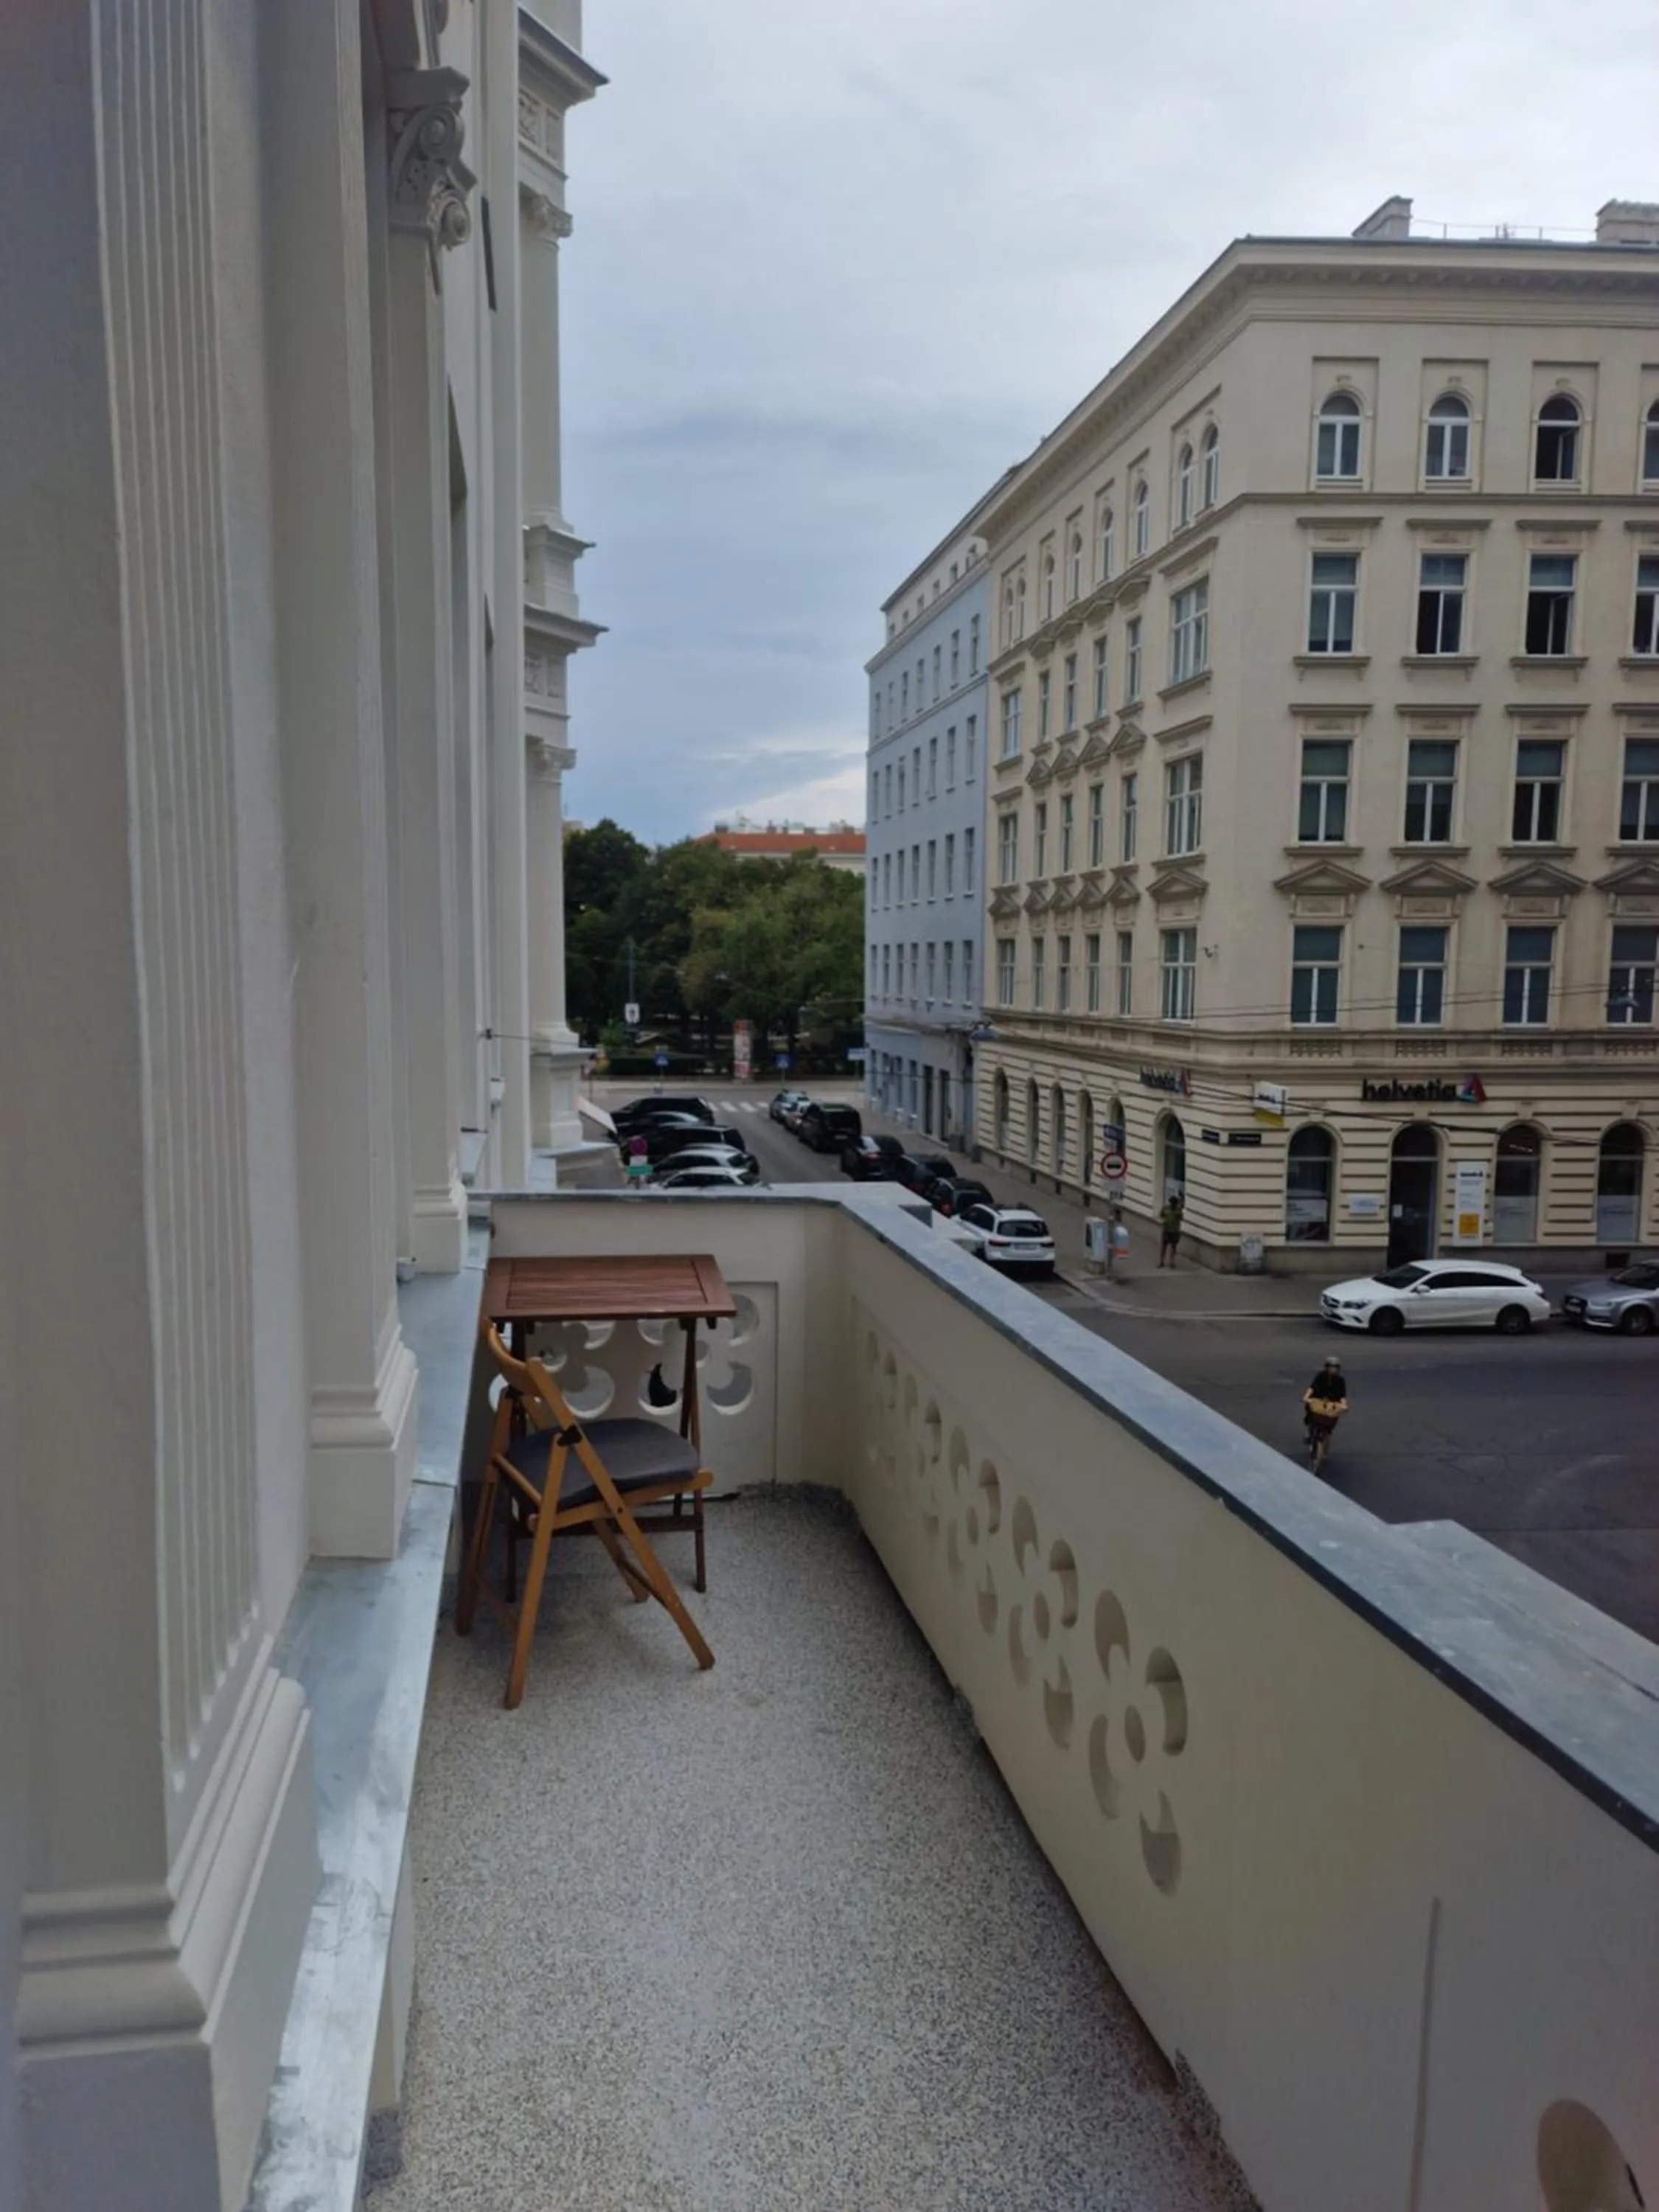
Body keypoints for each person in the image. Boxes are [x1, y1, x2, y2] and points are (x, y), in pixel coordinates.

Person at [1303, 1355, 1348, 1434]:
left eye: (1335, 1367)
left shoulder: (1341, 1380)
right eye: (1331, 1367)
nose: (1333, 1370)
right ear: (1327, 1367)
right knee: (1311, 1409)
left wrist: (1344, 1405)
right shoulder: (1321, 1376)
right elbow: (1312, 1388)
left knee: (1332, 1418)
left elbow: (1342, 1396)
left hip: (1332, 1404)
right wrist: (1306, 1397)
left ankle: (1327, 1433)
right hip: (1318, 1400)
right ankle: (1310, 1425)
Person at [1158, 1191, 1183, 1267]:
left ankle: (1172, 1262)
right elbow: (1161, 1215)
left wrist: (1178, 1214)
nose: (1173, 1205)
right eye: (1172, 1203)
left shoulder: (1178, 1210)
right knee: (1164, 1247)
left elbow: (1181, 1218)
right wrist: (1163, 1221)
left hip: (1175, 1231)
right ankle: (1161, 1262)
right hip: (1167, 1230)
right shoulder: (1166, 1208)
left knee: (1173, 1247)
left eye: (1174, 1204)